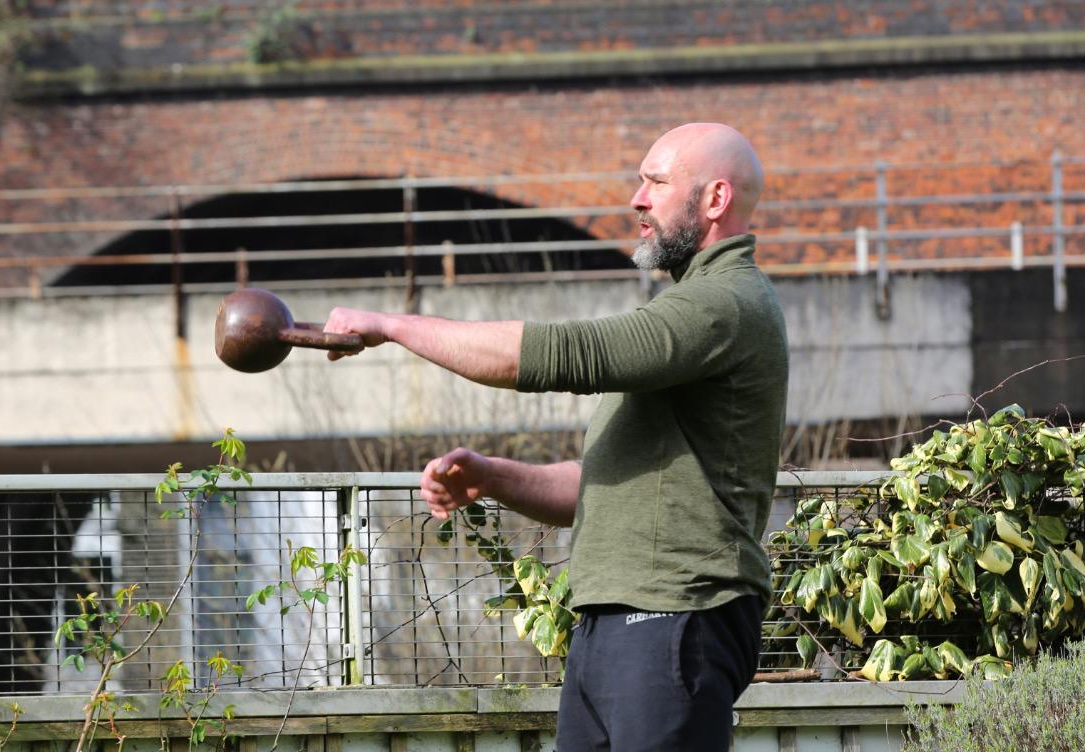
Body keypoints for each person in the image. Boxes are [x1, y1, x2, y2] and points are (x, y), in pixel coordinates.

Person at [322, 123, 789, 751]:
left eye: (656, 182)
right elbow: (596, 487)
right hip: (613, 625)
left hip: (677, 616)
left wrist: (391, 325)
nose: (636, 200)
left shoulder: (723, 304)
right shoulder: (690, 313)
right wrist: (492, 477)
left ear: (715, 199)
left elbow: (565, 353)